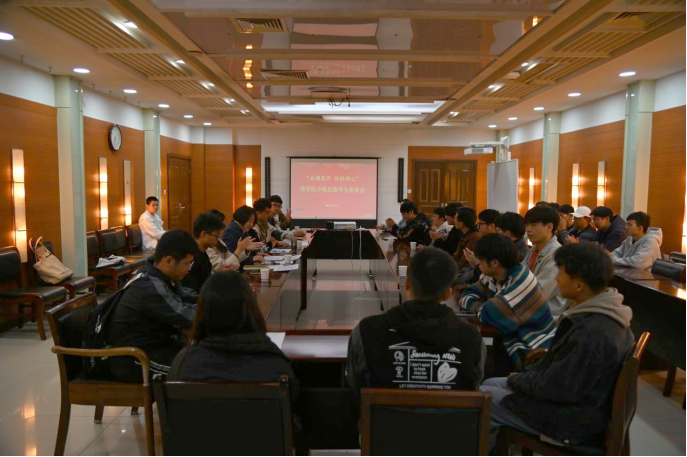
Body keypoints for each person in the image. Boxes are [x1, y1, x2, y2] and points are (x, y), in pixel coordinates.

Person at [481, 243, 634, 451]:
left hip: (571, 422)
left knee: (483, 399)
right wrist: (521, 379)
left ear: (579, 285)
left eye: (561, 273)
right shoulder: (604, 312)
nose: (556, 279)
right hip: (578, 406)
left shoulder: (593, 332)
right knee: (490, 383)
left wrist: (518, 380)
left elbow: (558, 387)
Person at [347, 247, 486, 399]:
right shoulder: (472, 338)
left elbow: (355, 387)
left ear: (406, 283)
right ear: (448, 294)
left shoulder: (366, 332)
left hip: (383, 415)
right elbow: (473, 387)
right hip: (452, 415)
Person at [169, 271, 299, 402]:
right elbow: (292, 400)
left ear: (203, 312)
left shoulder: (183, 364)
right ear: (252, 309)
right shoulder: (275, 367)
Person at [108, 230, 199, 382]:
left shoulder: (159, 275)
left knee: (203, 358)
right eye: (187, 263)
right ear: (168, 260)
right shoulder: (147, 285)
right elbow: (182, 313)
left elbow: (187, 296)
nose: (189, 268)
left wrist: (213, 300)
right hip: (134, 358)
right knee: (200, 369)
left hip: (158, 346)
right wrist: (215, 312)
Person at [460, 234, 555, 372]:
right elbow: (467, 295)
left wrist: (482, 308)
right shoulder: (493, 275)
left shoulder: (520, 280)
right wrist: (483, 308)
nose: (478, 263)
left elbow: (488, 314)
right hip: (510, 338)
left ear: (494, 263)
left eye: (480, 260)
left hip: (533, 350)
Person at [522, 205, 567, 317]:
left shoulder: (556, 254)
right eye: (527, 225)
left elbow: (540, 293)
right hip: (529, 310)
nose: (528, 229)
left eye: (533, 225)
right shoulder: (533, 250)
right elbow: (519, 276)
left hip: (548, 316)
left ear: (549, 227)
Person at [181, 213, 232, 293]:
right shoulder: (191, 257)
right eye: (216, 235)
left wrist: (219, 274)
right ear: (204, 234)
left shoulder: (203, 253)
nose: (218, 239)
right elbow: (192, 290)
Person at [452, 206, 482, 284]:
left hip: (466, 272)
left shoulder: (474, 237)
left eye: (455, 218)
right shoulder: (466, 235)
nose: (453, 220)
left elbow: (464, 262)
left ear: (461, 223)